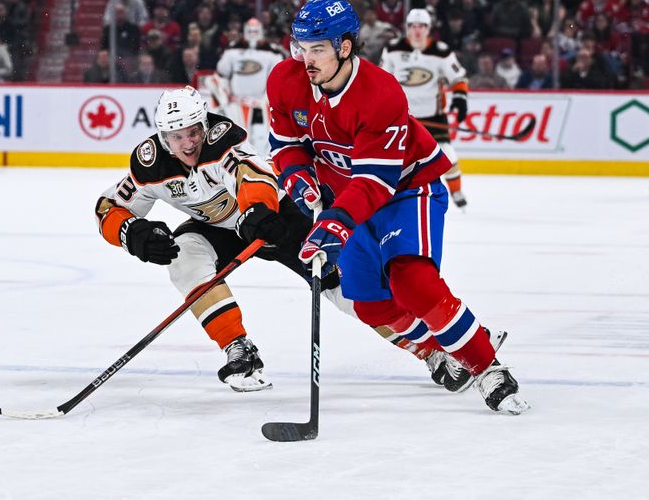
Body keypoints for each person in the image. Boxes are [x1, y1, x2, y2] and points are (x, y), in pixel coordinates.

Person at [95, 86, 475, 393]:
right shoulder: (150, 164)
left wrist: (257, 210)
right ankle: (238, 350)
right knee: (183, 259)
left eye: (194, 131)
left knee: (348, 293)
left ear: (204, 124)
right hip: (217, 230)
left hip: (277, 220)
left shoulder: (222, 142)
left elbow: (253, 176)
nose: (189, 143)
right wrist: (130, 232)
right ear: (163, 136)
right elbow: (108, 206)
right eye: (177, 136)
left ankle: (436, 349)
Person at [268, 0, 528, 414]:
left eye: (317, 48)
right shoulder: (285, 79)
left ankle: (486, 367)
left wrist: (334, 222)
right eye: (300, 46)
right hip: (345, 199)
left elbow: (374, 182)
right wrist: (297, 178)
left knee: (412, 282)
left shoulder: (380, 94)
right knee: (369, 303)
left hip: (405, 191)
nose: (306, 58)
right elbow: (285, 146)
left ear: (345, 47)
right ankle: (435, 352)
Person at [380, 8, 470, 209]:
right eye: (413, 26)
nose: (417, 31)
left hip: (434, 118)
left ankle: (456, 192)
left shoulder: (442, 51)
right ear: (407, 28)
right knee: (396, 161)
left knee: (447, 155)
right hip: (403, 118)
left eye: (422, 26)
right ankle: (392, 197)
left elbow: (458, 78)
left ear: (429, 29)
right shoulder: (393, 49)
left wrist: (460, 99)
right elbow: (383, 81)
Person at [212, 18, 284, 159]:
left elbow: (277, 78)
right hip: (237, 103)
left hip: (261, 105)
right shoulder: (233, 50)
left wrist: (266, 99)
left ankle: (263, 164)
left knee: (262, 138)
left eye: (256, 31)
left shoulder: (272, 52)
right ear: (245, 31)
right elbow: (221, 74)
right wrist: (226, 97)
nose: (253, 34)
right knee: (237, 139)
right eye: (250, 31)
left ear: (262, 32)